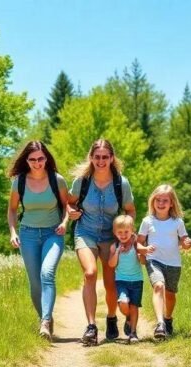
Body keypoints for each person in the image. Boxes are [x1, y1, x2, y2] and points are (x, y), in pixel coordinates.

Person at [67, 139, 135, 346]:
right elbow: (68, 203)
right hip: (85, 232)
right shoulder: (82, 181)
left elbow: (130, 209)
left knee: (110, 282)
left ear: (112, 158)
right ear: (91, 158)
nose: (101, 161)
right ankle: (91, 327)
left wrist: (127, 230)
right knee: (90, 273)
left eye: (105, 157)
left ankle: (112, 317)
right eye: (97, 157)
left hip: (110, 237)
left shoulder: (120, 183)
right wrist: (70, 212)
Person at [7, 140, 69, 341]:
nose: (37, 163)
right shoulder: (20, 182)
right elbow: (12, 210)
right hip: (28, 234)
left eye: (41, 158)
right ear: (27, 160)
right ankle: (45, 319)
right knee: (35, 283)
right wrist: (13, 232)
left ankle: (44, 321)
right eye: (33, 159)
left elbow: (67, 206)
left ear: (46, 158)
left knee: (47, 273)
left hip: (53, 234)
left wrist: (65, 223)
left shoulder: (57, 180)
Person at [137, 184, 191, 340]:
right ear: (153, 201)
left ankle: (168, 319)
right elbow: (138, 242)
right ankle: (160, 323)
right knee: (158, 286)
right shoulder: (147, 221)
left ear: (171, 203)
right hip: (154, 260)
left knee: (170, 294)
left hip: (174, 263)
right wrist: (144, 249)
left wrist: (188, 243)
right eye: (158, 200)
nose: (161, 204)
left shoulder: (177, 222)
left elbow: (184, 241)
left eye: (165, 201)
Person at [107, 215, 145, 344]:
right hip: (121, 280)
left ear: (132, 230)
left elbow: (143, 261)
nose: (123, 235)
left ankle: (133, 333)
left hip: (137, 280)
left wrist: (141, 254)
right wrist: (117, 252)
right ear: (115, 233)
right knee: (123, 302)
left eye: (126, 232)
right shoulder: (114, 246)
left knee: (134, 306)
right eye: (120, 232)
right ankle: (128, 317)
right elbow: (111, 264)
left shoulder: (136, 244)